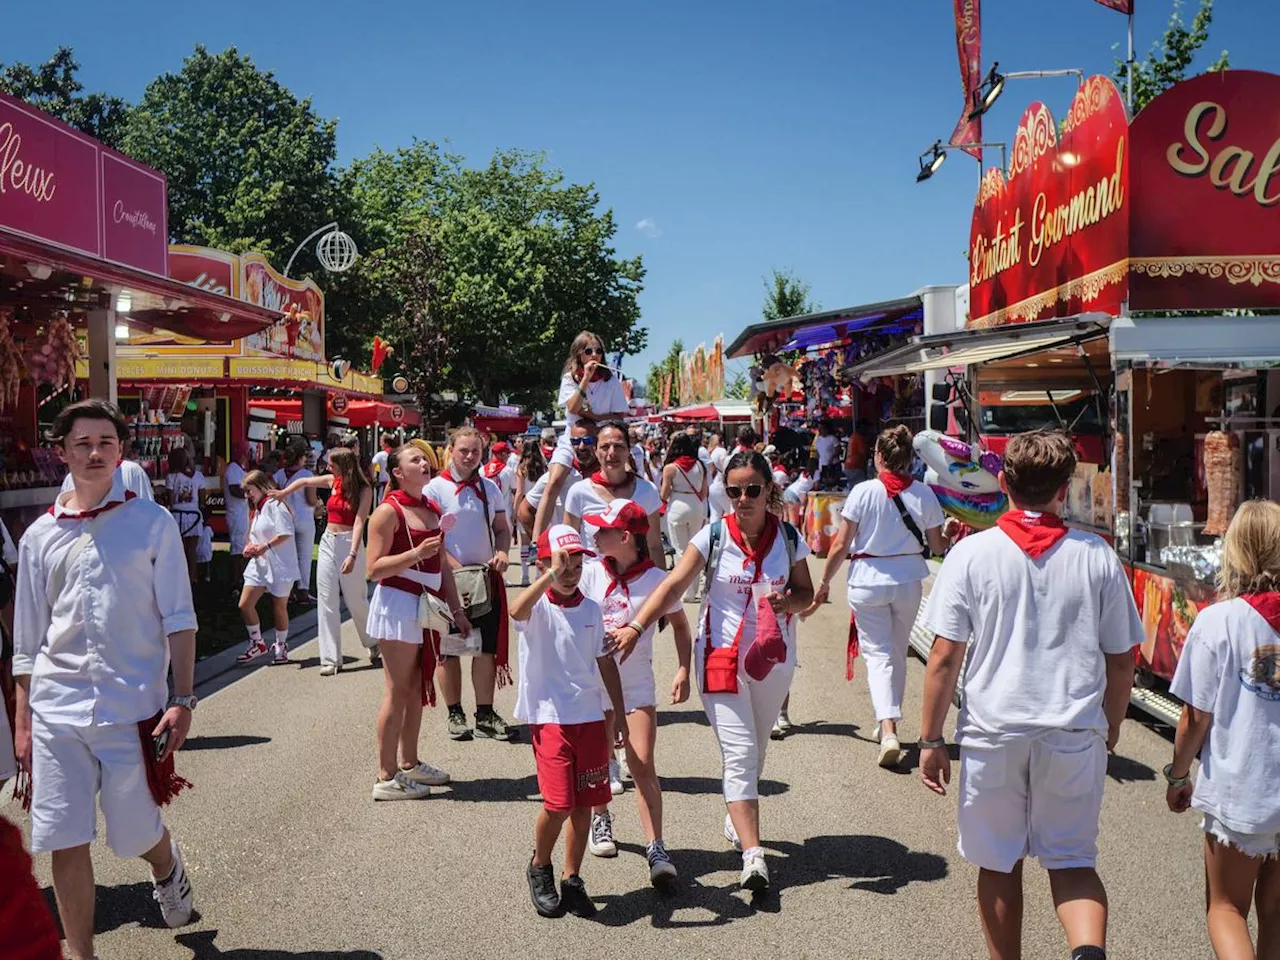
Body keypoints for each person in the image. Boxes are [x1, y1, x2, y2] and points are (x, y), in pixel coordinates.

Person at [918, 429, 1142, 960]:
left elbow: (944, 656)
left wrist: (930, 738)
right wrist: (1110, 724)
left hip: (994, 730)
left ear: (1002, 482)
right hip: (1071, 728)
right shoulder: (1097, 556)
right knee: (1072, 862)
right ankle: (1087, 950)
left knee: (998, 862)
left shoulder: (971, 555)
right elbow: (1122, 658)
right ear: (1065, 487)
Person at [13, 399, 199, 959]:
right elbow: (26, 642)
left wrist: (185, 697)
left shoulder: (151, 521)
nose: (95, 453)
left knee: (133, 832)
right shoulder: (39, 537)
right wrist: (22, 722)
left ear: (121, 451)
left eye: (106, 443)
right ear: (62, 452)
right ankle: (83, 956)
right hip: (56, 710)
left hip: (131, 706)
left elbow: (180, 615)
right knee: (63, 836)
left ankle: (166, 865)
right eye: (82, 444)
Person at [609, 451, 814, 893]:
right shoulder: (713, 535)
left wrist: (786, 604)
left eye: (752, 490)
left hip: (772, 658)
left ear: (768, 491)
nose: (742, 498)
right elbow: (673, 584)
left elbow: (806, 593)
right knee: (740, 754)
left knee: (756, 753)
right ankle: (753, 857)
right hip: (720, 659)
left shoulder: (790, 538)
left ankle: (736, 814)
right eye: (734, 490)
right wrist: (637, 625)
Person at [1165, 499, 1280, 959]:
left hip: (1242, 794)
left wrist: (1178, 775)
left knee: (1226, 908)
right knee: (1276, 915)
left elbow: (1196, 717)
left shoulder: (1219, 621)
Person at [809, 425, 948, 767]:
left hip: (868, 580)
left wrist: (825, 580)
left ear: (880, 457)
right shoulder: (925, 495)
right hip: (909, 580)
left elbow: (841, 544)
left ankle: (887, 726)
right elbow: (938, 546)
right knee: (896, 653)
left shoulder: (863, 492)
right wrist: (949, 533)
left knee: (878, 655)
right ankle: (889, 722)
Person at [510, 524, 628, 919]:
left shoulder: (591, 609)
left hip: (590, 717)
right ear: (545, 562)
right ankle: (540, 865)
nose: (571, 570)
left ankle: (572, 877)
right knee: (558, 804)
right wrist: (549, 572)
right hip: (550, 718)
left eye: (577, 562)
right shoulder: (538, 607)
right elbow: (516, 610)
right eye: (563, 562)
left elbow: (604, 663)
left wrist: (619, 714)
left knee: (585, 805)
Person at [579, 500, 691, 885]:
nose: (594, 535)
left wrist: (682, 669)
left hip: (637, 685)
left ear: (625, 537)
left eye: (603, 530)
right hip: (594, 684)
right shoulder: (589, 572)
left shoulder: (658, 580)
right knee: (596, 762)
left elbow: (679, 625)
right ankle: (601, 819)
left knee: (641, 761)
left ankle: (656, 847)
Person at [363, 442, 467, 800]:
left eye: (425, 458)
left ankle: (410, 762)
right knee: (398, 689)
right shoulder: (387, 512)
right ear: (397, 472)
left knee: (418, 685)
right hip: (398, 605)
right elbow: (373, 569)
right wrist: (415, 554)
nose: (424, 463)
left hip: (427, 607)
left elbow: (441, 568)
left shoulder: (432, 508)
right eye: (415, 459)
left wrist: (457, 611)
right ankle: (385, 776)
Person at [426, 427, 516, 742]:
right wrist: (455, 572)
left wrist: (503, 551)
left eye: (475, 451)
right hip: (447, 583)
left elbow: (502, 528)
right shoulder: (434, 489)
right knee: (448, 651)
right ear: (450, 450)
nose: (469, 456)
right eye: (463, 450)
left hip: (484, 581)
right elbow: (428, 538)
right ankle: (455, 713)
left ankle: (485, 713)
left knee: (486, 650)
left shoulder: (489, 488)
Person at [274, 448, 377, 675]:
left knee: (356, 599)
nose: (328, 467)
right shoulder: (332, 481)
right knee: (326, 598)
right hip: (329, 541)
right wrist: (283, 492)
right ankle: (330, 658)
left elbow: (360, 522)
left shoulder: (364, 489)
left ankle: (372, 641)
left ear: (343, 465)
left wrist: (352, 553)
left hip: (351, 542)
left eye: (331, 464)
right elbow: (304, 482)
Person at [533, 331, 630, 543]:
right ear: (579, 355)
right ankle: (536, 541)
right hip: (572, 439)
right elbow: (573, 406)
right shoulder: (570, 379)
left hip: (601, 440)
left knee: (625, 477)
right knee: (554, 481)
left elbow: (620, 415)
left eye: (599, 351)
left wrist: (592, 415)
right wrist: (585, 378)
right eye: (589, 351)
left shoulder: (611, 380)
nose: (594, 355)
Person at [564, 421, 665, 573]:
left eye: (618, 446)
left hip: (638, 583)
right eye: (605, 447)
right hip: (593, 585)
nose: (611, 453)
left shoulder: (647, 491)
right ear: (596, 451)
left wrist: (663, 589)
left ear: (629, 450)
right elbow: (568, 546)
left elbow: (655, 546)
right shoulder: (579, 492)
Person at [235, 471, 300, 666]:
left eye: (250, 490)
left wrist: (264, 546)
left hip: (280, 564)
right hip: (260, 564)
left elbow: (285, 532)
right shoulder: (257, 509)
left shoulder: (275, 504)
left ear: (261, 487)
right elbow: (255, 535)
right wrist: (250, 547)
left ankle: (281, 645)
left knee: (278, 606)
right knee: (245, 604)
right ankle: (257, 642)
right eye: (246, 491)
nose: (247, 495)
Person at [522, 422, 597, 539]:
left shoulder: (609, 474)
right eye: (576, 441)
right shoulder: (557, 477)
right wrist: (541, 544)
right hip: (567, 552)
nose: (581, 446)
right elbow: (524, 511)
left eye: (587, 441)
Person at [659, 432, 708, 603]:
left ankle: (686, 591)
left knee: (680, 549)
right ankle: (694, 589)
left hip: (678, 505)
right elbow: (704, 492)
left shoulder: (670, 468)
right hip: (696, 505)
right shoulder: (700, 465)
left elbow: (664, 495)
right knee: (695, 548)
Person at [274, 440, 318, 605]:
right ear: (301, 457)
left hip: (286, 519)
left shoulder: (279, 474)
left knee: (288, 557)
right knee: (304, 557)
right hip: (305, 518)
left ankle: (288, 591)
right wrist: (318, 505)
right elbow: (311, 499)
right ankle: (303, 591)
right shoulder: (307, 475)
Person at [164, 447, 206, 585]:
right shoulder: (198, 476)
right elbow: (202, 500)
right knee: (192, 550)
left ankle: (179, 579)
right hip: (194, 516)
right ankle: (192, 578)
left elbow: (170, 501)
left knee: (178, 550)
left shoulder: (171, 477)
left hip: (177, 516)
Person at [514, 441, 548, 587]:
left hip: (525, 507)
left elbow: (520, 492)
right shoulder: (544, 468)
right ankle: (539, 575)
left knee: (525, 543)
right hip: (541, 508)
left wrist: (515, 511)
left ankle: (525, 576)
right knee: (540, 542)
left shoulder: (521, 468)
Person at [223, 442, 254, 596]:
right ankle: (234, 582)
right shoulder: (233, 470)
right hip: (236, 515)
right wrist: (251, 493)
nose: (248, 455)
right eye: (246, 452)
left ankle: (241, 579)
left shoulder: (240, 469)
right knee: (237, 549)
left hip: (242, 513)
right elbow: (235, 490)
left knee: (243, 547)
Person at [782, 461, 817, 527]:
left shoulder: (803, 473)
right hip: (794, 495)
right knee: (793, 521)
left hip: (787, 491)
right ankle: (791, 536)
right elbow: (816, 486)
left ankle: (784, 536)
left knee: (786, 518)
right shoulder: (816, 473)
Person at [843, 422, 870, 489]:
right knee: (860, 488)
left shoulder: (853, 436)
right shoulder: (859, 437)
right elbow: (863, 452)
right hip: (856, 466)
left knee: (853, 487)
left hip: (849, 466)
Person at [371, 433, 396, 503]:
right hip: (396, 486)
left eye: (381, 442)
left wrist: (376, 474)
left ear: (386, 443)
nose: (380, 444)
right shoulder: (396, 454)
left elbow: (374, 464)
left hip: (384, 485)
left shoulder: (380, 455)